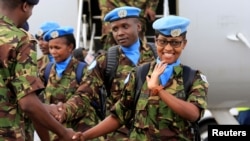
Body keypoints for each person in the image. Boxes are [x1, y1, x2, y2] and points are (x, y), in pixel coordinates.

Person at [73, 15, 209, 141]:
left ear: (184, 44)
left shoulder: (193, 77)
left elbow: (193, 114)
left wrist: (159, 90)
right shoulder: (139, 74)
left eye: (175, 43)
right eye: (163, 42)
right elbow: (118, 116)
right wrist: (84, 136)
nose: (168, 48)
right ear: (155, 42)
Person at [52, 6, 157, 140]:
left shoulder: (157, 55)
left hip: (154, 132)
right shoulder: (106, 61)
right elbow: (85, 94)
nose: (120, 33)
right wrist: (64, 111)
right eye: (115, 29)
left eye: (125, 26)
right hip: (120, 134)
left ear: (139, 26)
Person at [0, 0, 78, 140]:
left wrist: (45, 108)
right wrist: (63, 133)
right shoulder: (20, 39)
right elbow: (28, 103)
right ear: (25, 6)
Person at [37, 26, 89, 140]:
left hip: (79, 132)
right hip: (55, 133)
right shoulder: (46, 70)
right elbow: (36, 96)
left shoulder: (84, 70)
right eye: (50, 48)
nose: (53, 52)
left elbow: (83, 99)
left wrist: (61, 112)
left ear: (70, 47)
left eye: (57, 47)